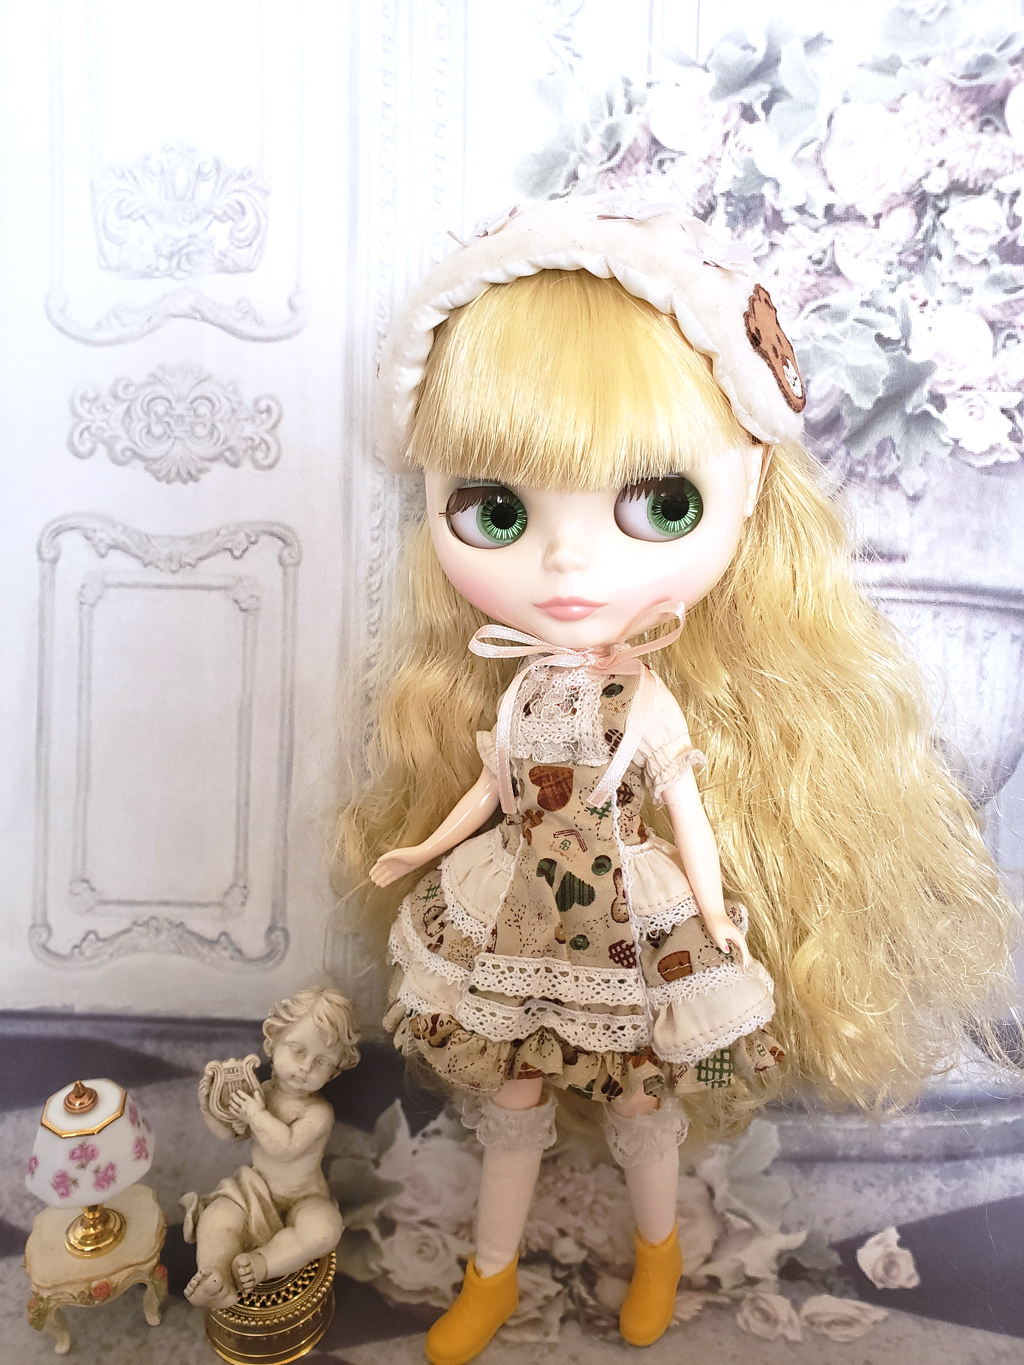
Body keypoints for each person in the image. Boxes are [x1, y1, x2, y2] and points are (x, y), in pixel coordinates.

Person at [341, 196, 1014, 1365]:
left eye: (657, 505)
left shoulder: (644, 700)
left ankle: (656, 1254)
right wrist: (423, 849)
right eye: (495, 510)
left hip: (624, 915)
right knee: (512, 1101)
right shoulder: (521, 689)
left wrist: (710, 913)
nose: (564, 560)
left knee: (640, 1098)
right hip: (514, 910)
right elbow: (496, 788)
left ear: (746, 487)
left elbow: (686, 811)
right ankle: (491, 1275)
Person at [183, 988, 360, 1309]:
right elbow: (233, 1134)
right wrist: (211, 1109)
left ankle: (261, 1263)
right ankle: (215, 1275)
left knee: (324, 1229)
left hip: (304, 1198)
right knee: (218, 1215)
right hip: (254, 1189)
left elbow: (285, 1148)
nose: (305, 1067)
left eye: (321, 1062)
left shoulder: (318, 1114)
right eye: (297, 1050)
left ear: (334, 1071)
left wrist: (256, 1115)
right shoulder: (261, 1093)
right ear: (272, 1044)